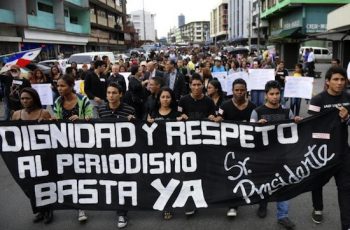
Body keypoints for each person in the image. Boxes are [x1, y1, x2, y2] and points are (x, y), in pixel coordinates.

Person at [250, 80, 301, 230]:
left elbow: (293, 130)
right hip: (263, 156)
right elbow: (248, 131)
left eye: (277, 93)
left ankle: (283, 215)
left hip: (282, 155)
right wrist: (256, 126)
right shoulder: (257, 111)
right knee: (265, 183)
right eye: (271, 94)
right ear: (266, 95)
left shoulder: (287, 112)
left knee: (283, 185)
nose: (275, 97)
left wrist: (297, 122)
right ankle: (262, 204)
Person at [308, 67, 350, 230]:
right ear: (327, 81)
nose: (340, 83)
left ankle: (346, 225)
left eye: (342, 79)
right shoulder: (318, 100)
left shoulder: (348, 97)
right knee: (317, 183)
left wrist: (347, 117)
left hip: (343, 151)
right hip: (321, 152)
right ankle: (318, 208)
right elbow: (309, 127)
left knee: (346, 188)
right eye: (336, 79)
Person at [53, 74, 92, 223]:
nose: (59, 88)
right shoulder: (57, 102)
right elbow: (57, 120)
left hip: (82, 144)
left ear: (70, 86)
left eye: (62, 85)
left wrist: (81, 119)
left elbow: (91, 118)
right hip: (66, 144)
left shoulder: (83, 100)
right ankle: (79, 206)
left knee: (82, 175)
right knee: (72, 175)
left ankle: (86, 201)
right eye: (58, 85)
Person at [11, 87, 53, 223]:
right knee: (31, 185)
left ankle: (48, 210)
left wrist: (48, 122)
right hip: (25, 156)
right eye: (22, 98)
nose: (24, 101)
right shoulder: (17, 115)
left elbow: (53, 131)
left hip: (42, 155)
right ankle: (39, 210)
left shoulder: (44, 113)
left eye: (27, 98)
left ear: (34, 99)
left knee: (44, 184)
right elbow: (10, 135)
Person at [97, 82, 135, 229]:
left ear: (120, 94)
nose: (111, 96)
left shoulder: (129, 110)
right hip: (107, 154)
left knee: (122, 181)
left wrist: (134, 121)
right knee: (112, 183)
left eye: (114, 93)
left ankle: (121, 213)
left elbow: (137, 131)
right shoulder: (100, 110)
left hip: (124, 154)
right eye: (108, 93)